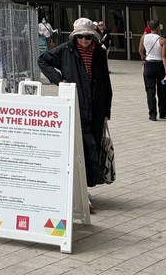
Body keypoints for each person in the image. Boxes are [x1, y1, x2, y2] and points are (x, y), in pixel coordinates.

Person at [38, 17, 113, 209]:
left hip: (95, 107)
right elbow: (43, 60)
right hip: (75, 105)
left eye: (88, 37)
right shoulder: (66, 50)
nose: (84, 40)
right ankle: (79, 192)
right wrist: (59, 80)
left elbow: (105, 81)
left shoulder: (99, 52)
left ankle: (83, 189)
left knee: (92, 148)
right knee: (78, 149)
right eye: (81, 37)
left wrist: (107, 109)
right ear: (75, 36)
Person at [139, 20, 166, 120]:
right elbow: (164, 56)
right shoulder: (162, 40)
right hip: (159, 65)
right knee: (162, 90)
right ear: (158, 28)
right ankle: (163, 112)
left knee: (150, 90)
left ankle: (152, 114)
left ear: (149, 27)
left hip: (148, 65)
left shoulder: (144, 37)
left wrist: (143, 56)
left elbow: (140, 50)